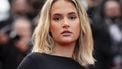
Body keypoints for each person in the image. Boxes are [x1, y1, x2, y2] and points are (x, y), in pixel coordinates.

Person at [17, 0, 94, 69]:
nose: (65, 24)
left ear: (81, 23)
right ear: (48, 26)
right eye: (57, 18)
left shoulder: (85, 66)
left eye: (72, 17)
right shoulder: (34, 62)